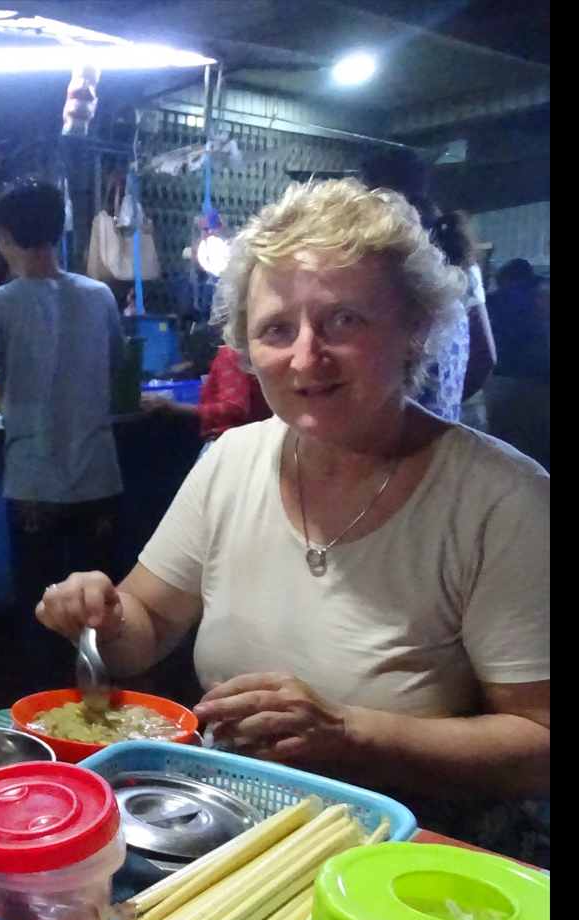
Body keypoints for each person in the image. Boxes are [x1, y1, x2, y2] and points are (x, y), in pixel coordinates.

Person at [33, 179, 550, 867]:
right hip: (230, 828)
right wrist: (98, 613)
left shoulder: (500, 499)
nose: (306, 357)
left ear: (414, 327)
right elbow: (147, 624)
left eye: (343, 321)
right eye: (278, 329)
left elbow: (539, 747)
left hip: (413, 856)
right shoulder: (233, 459)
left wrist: (347, 732)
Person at [0, 181, 128, 692]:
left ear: (6, 237)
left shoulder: (1, 303)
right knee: (97, 604)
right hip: (98, 478)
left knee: (39, 606)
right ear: (58, 231)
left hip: (34, 481)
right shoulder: (100, 296)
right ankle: (102, 700)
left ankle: (44, 708)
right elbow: (119, 365)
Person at [356, 148, 495, 428]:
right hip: (437, 433)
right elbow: (484, 355)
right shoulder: (458, 256)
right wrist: (442, 403)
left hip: (384, 436)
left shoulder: (375, 257)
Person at [141, 343, 273, 454]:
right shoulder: (256, 351)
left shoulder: (230, 353)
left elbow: (234, 408)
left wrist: (172, 406)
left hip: (227, 446)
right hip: (257, 444)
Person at [481, 258, 550, 471]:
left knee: (507, 459)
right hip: (540, 384)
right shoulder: (540, 299)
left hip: (501, 384)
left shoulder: (491, 302)